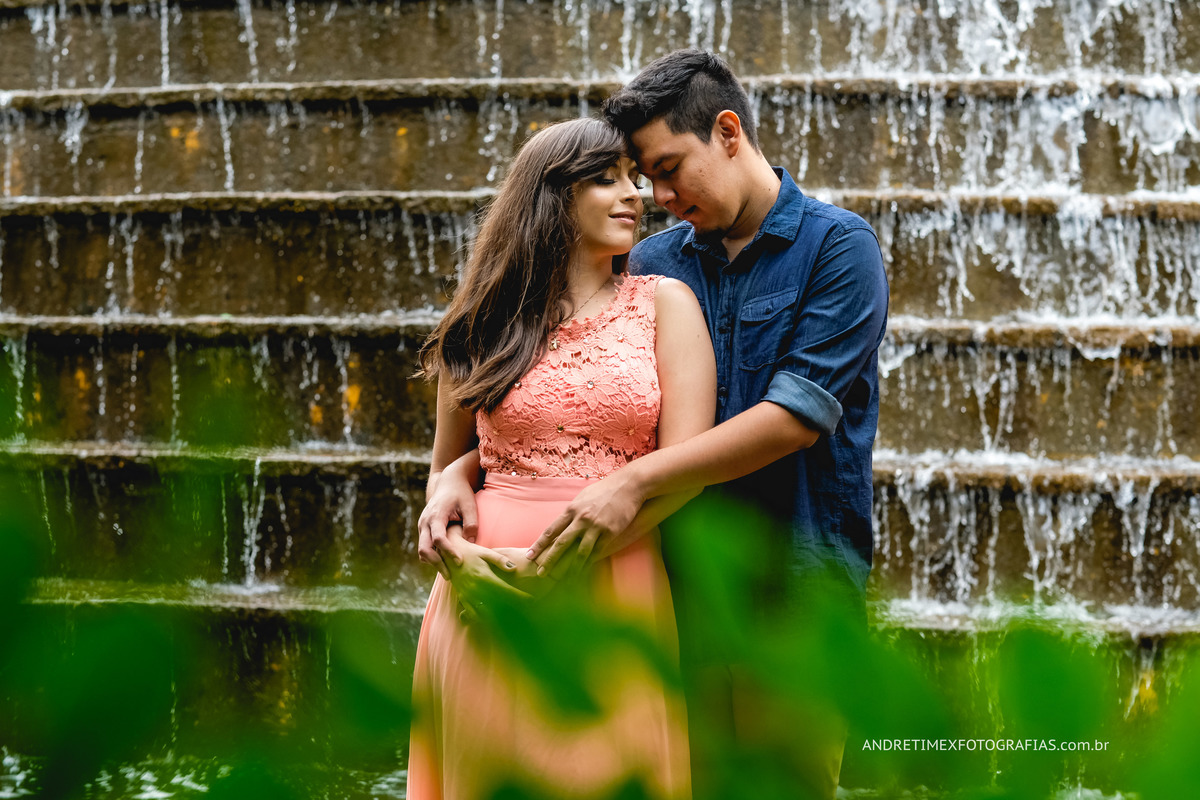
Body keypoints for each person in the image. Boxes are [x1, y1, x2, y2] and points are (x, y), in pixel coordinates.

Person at [427, 50, 890, 799]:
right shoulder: (652, 263)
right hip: (673, 582)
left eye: (671, 169)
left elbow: (793, 418)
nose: (660, 195)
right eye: (644, 179)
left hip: (796, 584)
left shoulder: (837, 249)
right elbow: (565, 394)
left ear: (729, 131)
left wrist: (632, 480)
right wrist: (461, 468)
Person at [407, 116, 716, 800]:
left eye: (634, 178)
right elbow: (446, 470)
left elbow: (688, 470)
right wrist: (458, 557)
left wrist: (567, 558)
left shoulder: (666, 305)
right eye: (605, 179)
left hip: (615, 582)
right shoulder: (481, 319)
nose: (633, 194)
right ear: (552, 196)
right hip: (487, 594)